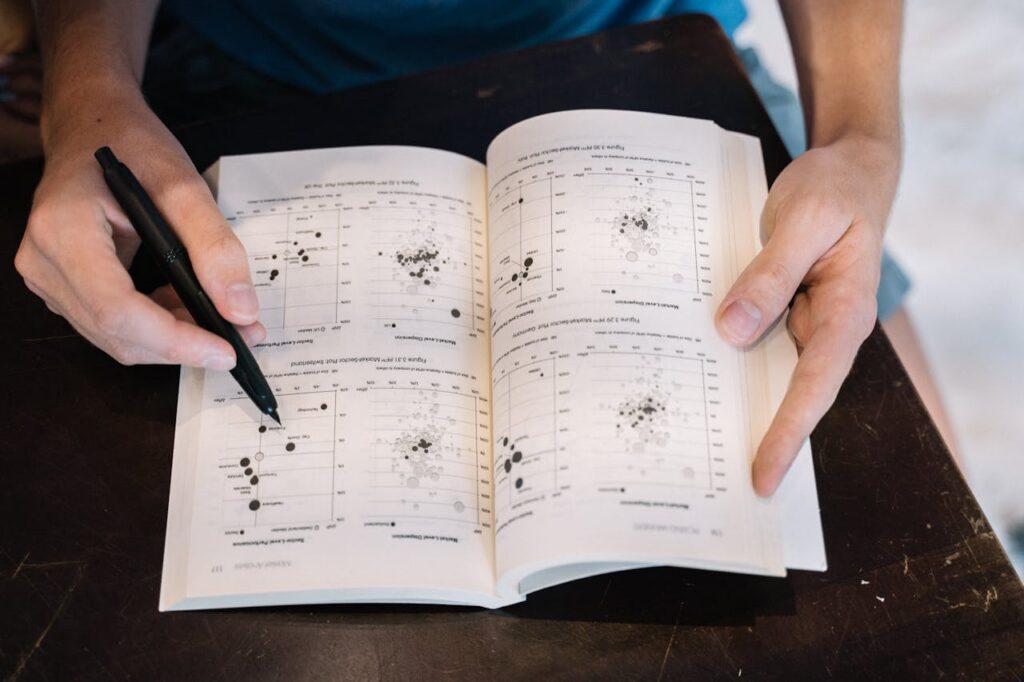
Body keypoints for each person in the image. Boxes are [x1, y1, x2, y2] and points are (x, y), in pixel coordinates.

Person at [14, 0, 948, 497]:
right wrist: (87, 101)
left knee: (916, 480)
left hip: (652, 47)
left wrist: (863, 141)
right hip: (236, 73)